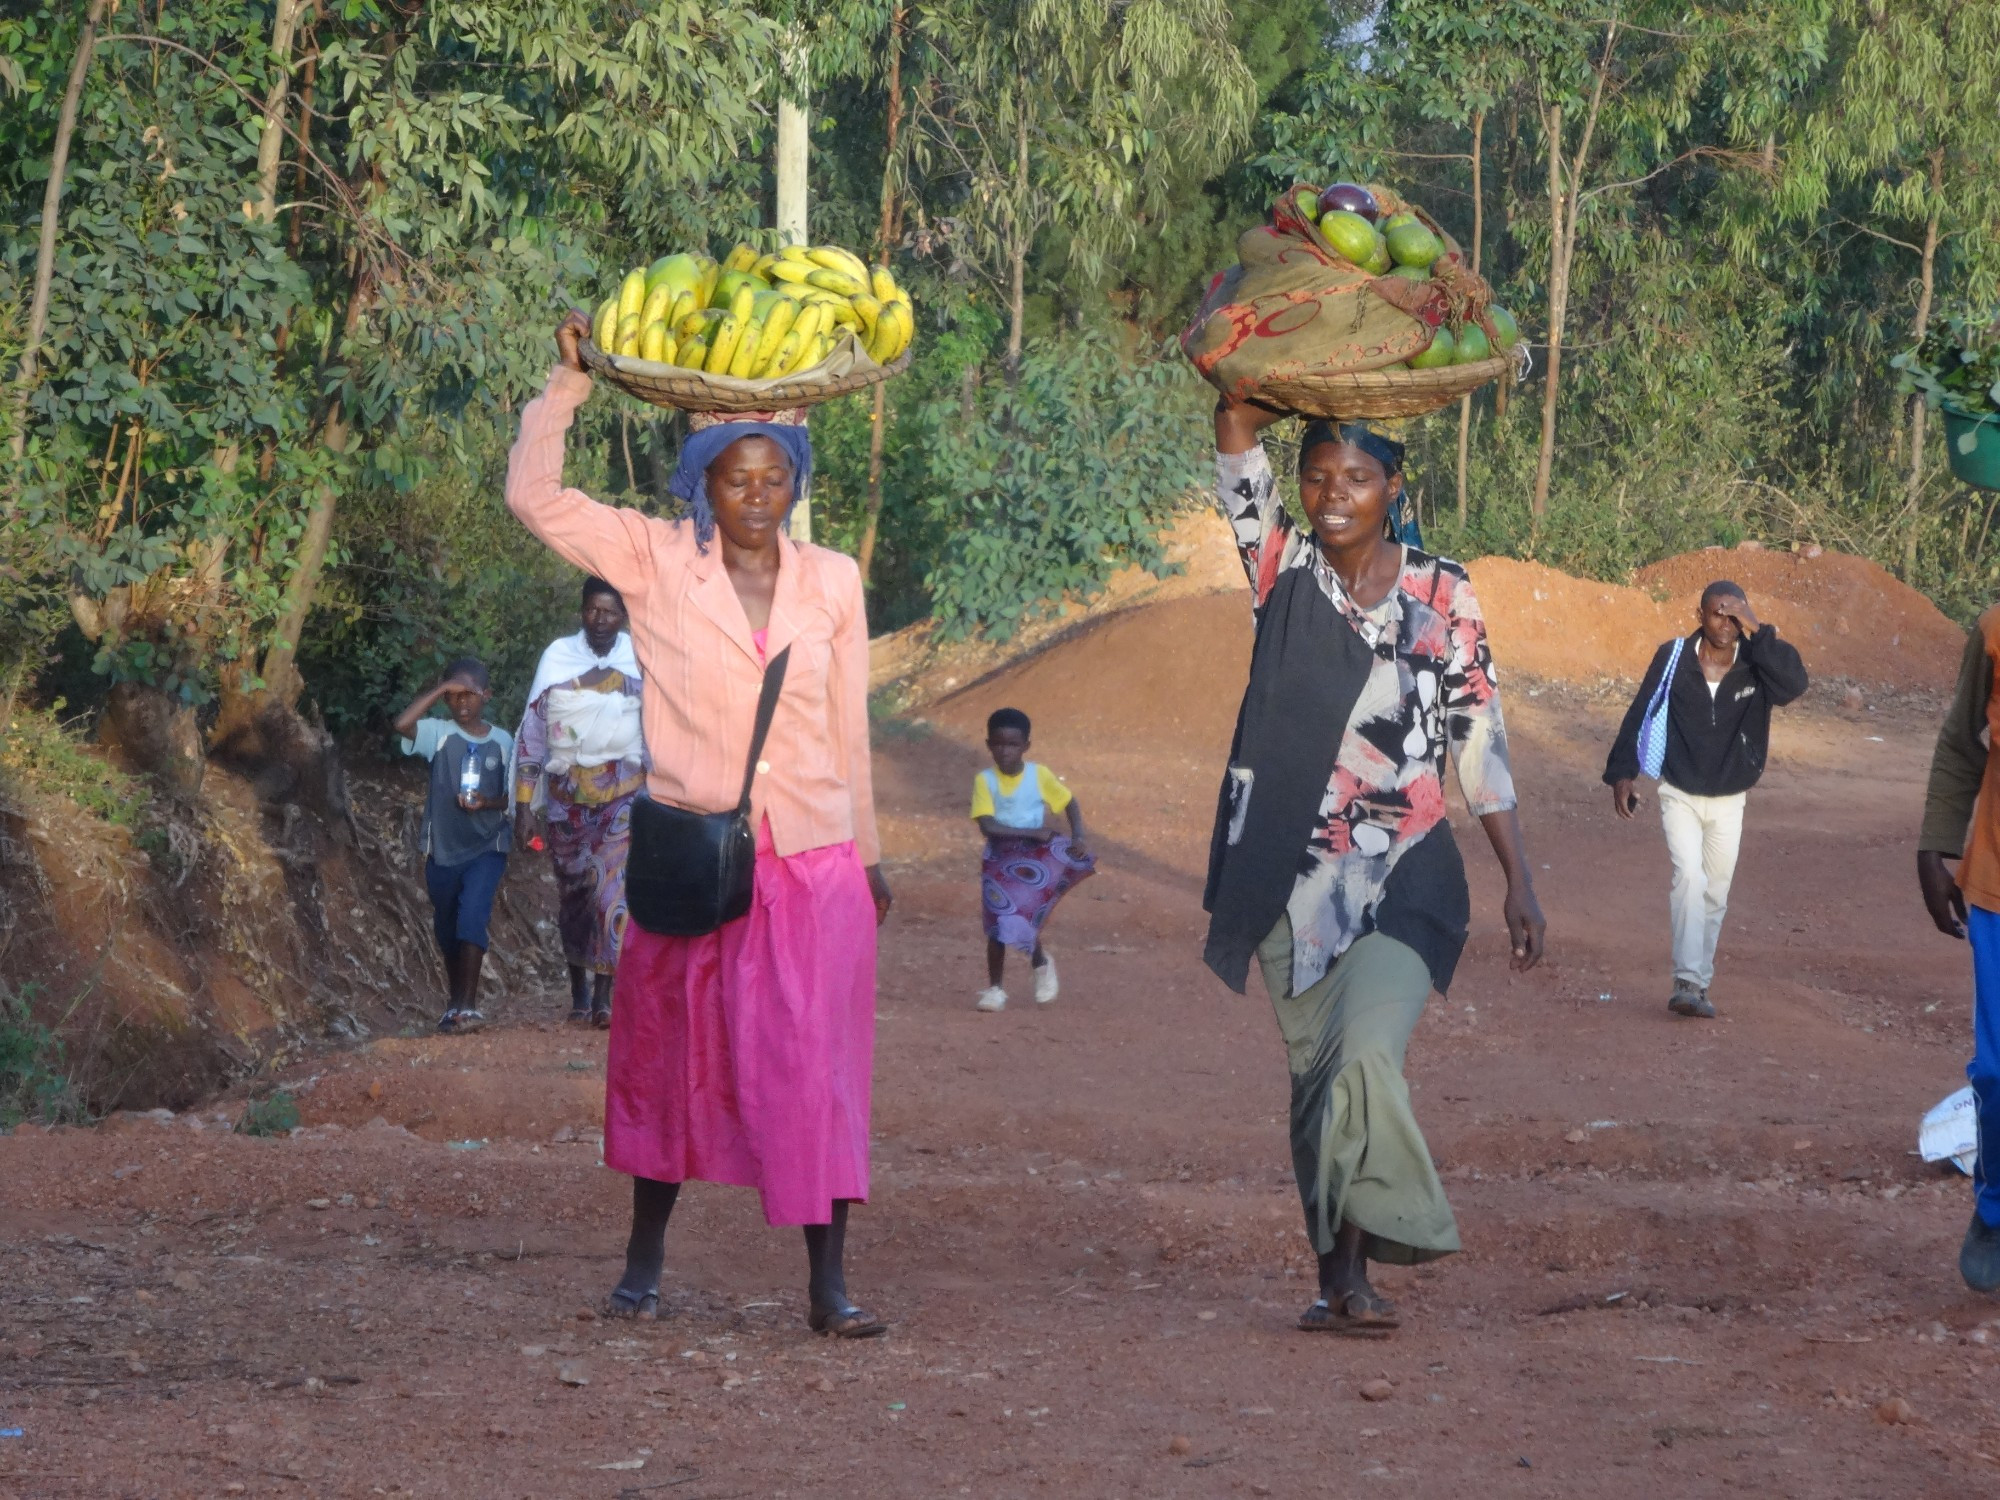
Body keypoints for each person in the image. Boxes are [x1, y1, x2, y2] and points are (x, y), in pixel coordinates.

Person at [505, 311, 894, 1337]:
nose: (756, 497)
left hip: (811, 860)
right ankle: (641, 1266)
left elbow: (846, 723)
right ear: (701, 484)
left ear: (797, 480)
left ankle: (828, 1287)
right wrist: (568, 382)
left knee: (817, 1071)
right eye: (735, 478)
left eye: (775, 478)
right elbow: (531, 496)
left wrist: (874, 852)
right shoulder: (650, 561)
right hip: (689, 854)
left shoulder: (834, 582)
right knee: (668, 1058)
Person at [1205, 396, 1545, 1337]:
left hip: (1406, 868)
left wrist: (1518, 876)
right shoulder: (1284, 572)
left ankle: (1379, 1248)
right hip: (1284, 871)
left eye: (1355, 477)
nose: (1331, 495)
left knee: (1364, 1055)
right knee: (1316, 1081)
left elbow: (1479, 733)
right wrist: (1243, 399)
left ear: (1394, 486)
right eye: (1316, 476)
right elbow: (1238, 460)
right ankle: (1333, 1280)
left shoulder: (1444, 590)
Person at [1603, 581, 1807, 1018]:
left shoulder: (1757, 662)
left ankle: (1699, 983)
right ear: (1700, 616)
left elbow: (1795, 684)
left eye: (1735, 616)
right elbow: (1640, 709)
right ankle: (1686, 980)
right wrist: (1623, 773)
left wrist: (1758, 628)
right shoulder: (1673, 657)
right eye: (1718, 613)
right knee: (1689, 878)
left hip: (1731, 796)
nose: (1727, 624)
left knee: (1716, 891)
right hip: (1679, 791)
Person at [514, 577, 646, 1029]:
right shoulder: (557, 658)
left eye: (609, 612)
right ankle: (579, 993)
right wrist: (524, 806)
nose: (600, 620)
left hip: (622, 799)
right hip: (566, 803)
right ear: (581, 611)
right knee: (575, 894)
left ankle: (605, 997)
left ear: (623, 616)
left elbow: (656, 728)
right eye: (592, 610)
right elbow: (534, 735)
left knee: (611, 893)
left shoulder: (640, 658)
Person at [1915, 604, 2000, 1294]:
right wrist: (1934, 844)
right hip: (1998, 888)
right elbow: (1963, 741)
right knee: (1998, 1073)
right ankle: (1994, 1210)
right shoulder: (1995, 630)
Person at [393, 658, 515, 1034]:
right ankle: (454, 1002)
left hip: (487, 844)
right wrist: (437, 690)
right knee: (447, 927)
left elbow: (513, 797)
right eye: (454, 696)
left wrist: (486, 802)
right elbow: (401, 725)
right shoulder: (439, 733)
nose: (462, 704)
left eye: (470, 695)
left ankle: (469, 1006)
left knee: (471, 917)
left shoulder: (503, 741)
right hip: (443, 848)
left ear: (487, 696)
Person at [970, 706, 1094, 1012]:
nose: (1005, 751)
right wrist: (1032, 831)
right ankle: (995, 989)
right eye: (998, 744)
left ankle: (1039, 963)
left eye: (1012, 745)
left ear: (1026, 746)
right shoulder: (985, 781)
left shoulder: (1039, 776)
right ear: (988, 745)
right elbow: (988, 825)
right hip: (999, 860)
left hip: (1033, 862)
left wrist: (1078, 837)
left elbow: (1069, 802)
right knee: (998, 923)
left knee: (1021, 921)